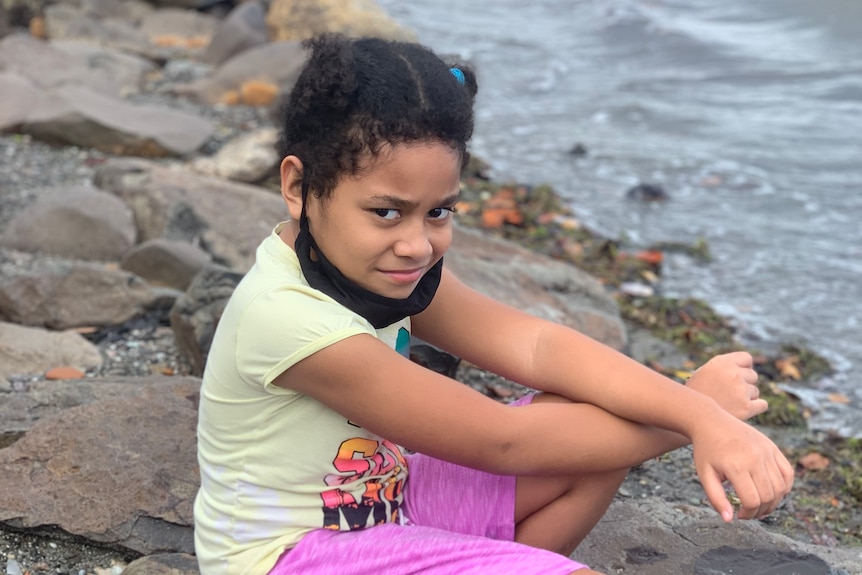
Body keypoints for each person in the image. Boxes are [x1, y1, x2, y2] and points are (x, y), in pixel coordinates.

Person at [193, 34, 794, 575]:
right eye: (386, 211)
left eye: (439, 211)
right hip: (292, 556)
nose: (416, 243)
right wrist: (698, 414)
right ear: (298, 187)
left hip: (385, 503)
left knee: (585, 414)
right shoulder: (289, 317)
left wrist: (694, 409)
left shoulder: (383, 266)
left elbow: (536, 345)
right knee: (582, 437)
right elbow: (503, 441)